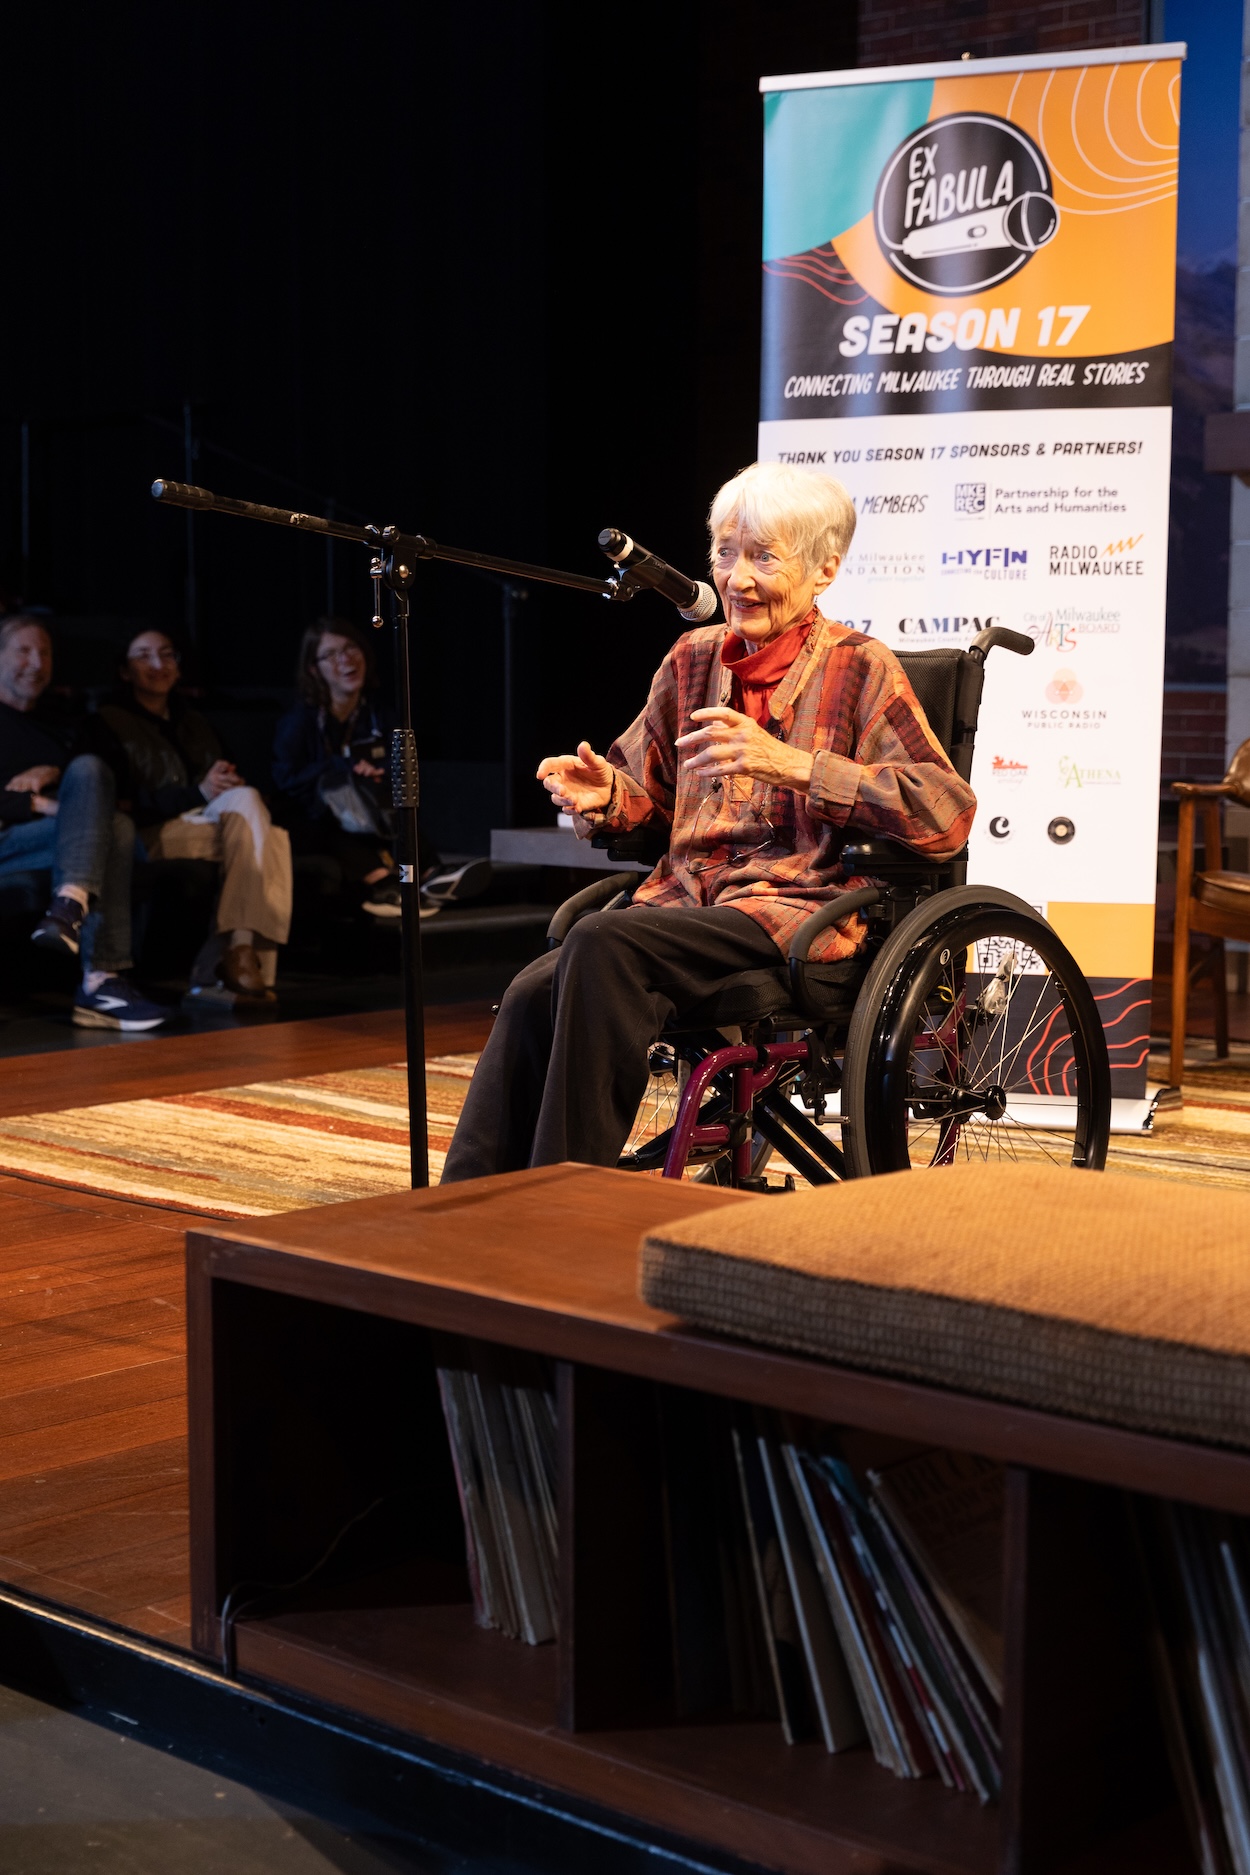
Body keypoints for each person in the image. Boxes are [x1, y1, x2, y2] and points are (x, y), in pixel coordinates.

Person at [441, 460, 977, 1182]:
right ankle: (469, 1211)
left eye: (763, 556)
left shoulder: (861, 669)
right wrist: (606, 796)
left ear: (824, 570)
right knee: (538, 987)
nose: (737, 577)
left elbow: (946, 812)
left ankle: (557, 1208)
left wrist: (794, 765)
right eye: (726, 552)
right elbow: (644, 792)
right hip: (684, 910)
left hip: (794, 913)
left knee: (600, 940)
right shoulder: (692, 659)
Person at [92, 630, 292, 1000]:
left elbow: (230, 775)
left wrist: (228, 783)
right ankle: (231, 958)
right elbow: (117, 802)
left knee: (248, 807)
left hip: (209, 824)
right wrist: (197, 792)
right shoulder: (106, 722)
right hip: (146, 832)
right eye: (144, 656)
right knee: (267, 838)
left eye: (167, 655)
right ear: (124, 670)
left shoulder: (195, 721)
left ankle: (232, 956)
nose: (158, 665)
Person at [0, 615, 166, 1029]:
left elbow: (105, 783)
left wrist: (56, 773)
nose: (36, 663)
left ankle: (69, 908)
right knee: (115, 827)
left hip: (58, 840)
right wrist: (39, 804)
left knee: (100, 788)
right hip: (7, 838)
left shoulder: (62, 726)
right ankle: (101, 979)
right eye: (24, 651)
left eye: (45, 653)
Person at [272, 617, 489, 920]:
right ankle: (386, 884)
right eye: (332, 654)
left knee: (397, 806)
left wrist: (378, 772)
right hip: (316, 813)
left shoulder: (377, 715)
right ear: (314, 669)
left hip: (369, 806)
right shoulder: (300, 722)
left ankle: (430, 875)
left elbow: (394, 762)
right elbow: (286, 778)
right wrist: (345, 769)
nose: (346, 658)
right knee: (328, 823)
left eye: (350, 648)